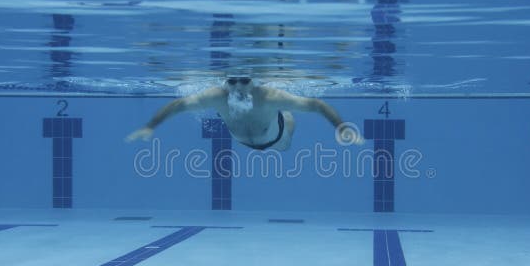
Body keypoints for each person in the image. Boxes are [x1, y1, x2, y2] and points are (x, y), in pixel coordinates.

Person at [125, 77, 364, 151]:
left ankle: (284, 116)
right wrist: (151, 125)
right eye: (232, 81)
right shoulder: (217, 95)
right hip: (243, 140)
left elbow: (317, 105)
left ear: (254, 82)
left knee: (287, 131)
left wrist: (341, 126)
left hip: (277, 137)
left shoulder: (269, 96)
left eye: (244, 81)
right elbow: (179, 105)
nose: (238, 87)